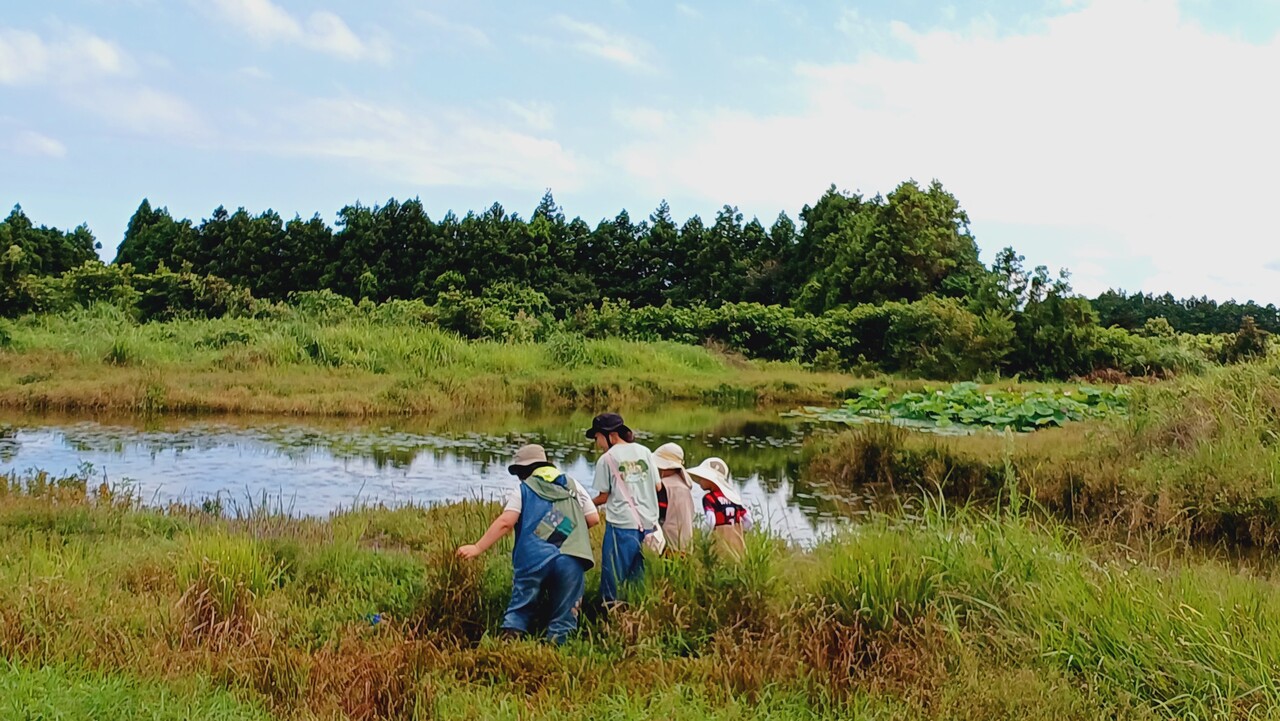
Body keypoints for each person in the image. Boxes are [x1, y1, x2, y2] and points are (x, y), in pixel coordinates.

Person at [456, 444, 598, 644]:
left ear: (524, 470)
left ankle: (508, 644)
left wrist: (478, 547)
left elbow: (506, 522)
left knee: (520, 608)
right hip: (572, 559)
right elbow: (593, 518)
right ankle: (555, 652)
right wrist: (561, 532)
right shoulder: (573, 485)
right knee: (565, 614)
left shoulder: (524, 489)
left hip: (534, 558)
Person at [586, 412, 661, 604]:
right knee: (639, 577)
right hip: (649, 526)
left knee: (613, 576)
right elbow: (657, 486)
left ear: (610, 435)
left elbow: (603, 497)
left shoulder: (607, 459)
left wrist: (585, 504)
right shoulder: (645, 452)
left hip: (621, 526)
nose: (598, 443)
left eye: (597, 438)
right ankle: (635, 616)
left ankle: (609, 616)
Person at [687, 457, 752, 558]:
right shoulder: (733, 498)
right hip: (736, 539)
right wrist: (741, 532)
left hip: (720, 538)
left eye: (702, 478)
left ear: (711, 480)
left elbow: (711, 520)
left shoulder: (710, 498)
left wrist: (704, 538)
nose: (699, 480)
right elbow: (749, 520)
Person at [653, 442, 695, 551]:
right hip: (686, 545)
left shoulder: (663, 487)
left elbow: (657, 516)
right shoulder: (684, 485)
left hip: (668, 545)